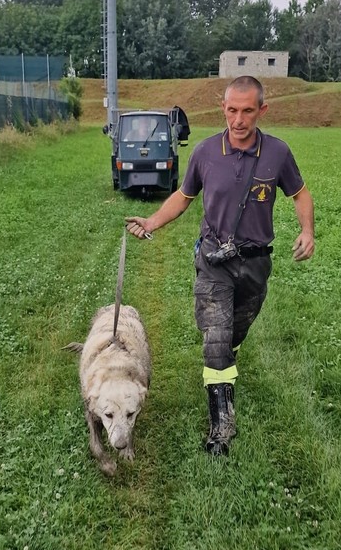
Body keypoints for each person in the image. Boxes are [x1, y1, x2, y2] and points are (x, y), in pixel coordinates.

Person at [125, 76, 314, 456]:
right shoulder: (206, 152)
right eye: (231, 110)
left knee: (232, 336)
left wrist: (308, 230)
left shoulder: (277, 153)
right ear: (222, 107)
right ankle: (221, 429)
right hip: (214, 260)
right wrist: (151, 222)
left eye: (247, 110)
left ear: (262, 110)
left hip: (256, 264)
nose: (238, 119)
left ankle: (228, 353)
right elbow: (183, 196)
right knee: (215, 341)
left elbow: (300, 192)